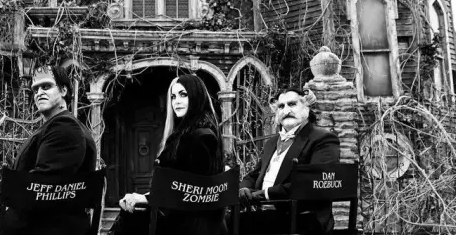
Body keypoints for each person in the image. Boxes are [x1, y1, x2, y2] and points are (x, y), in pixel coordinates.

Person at [0, 65, 97, 235]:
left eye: (46, 86)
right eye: (35, 89)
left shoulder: (65, 127)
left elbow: (46, 181)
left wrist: (0, 198)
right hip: (42, 220)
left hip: (51, 225)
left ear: (63, 90)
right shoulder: (60, 126)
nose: (39, 93)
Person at [112, 74, 226, 235]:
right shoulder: (186, 134)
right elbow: (180, 185)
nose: (176, 101)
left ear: (196, 96)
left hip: (192, 225)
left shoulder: (202, 137)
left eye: (183, 95)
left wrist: (148, 199)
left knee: (129, 217)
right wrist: (147, 197)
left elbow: (194, 191)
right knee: (129, 210)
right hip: (180, 217)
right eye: (173, 97)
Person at [238, 87, 340, 235]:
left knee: (231, 224)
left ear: (306, 108)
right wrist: (244, 189)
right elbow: (254, 174)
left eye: (292, 104)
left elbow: (313, 183)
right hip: (268, 215)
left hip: (301, 217)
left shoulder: (323, 139)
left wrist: (264, 194)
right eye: (281, 106)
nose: (286, 110)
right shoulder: (272, 142)